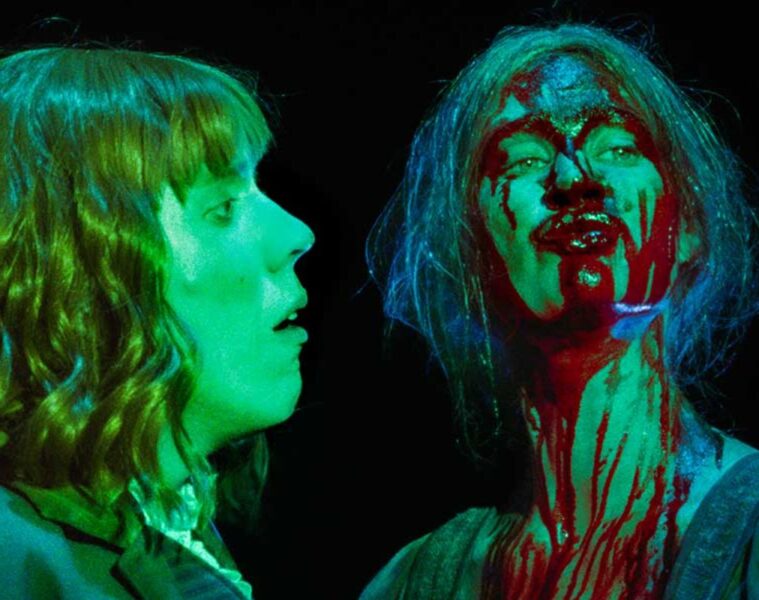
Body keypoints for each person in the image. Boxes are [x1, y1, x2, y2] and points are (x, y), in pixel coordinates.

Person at [362, 23, 759, 599]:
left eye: (619, 148)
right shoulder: (412, 583)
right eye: (522, 159)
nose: (574, 177)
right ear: (469, 256)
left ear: (691, 225)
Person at [0, 46, 314, 599]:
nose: (296, 234)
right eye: (223, 208)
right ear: (82, 277)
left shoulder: (166, 534)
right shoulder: (20, 564)